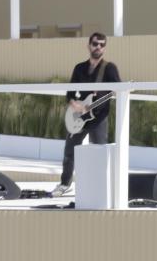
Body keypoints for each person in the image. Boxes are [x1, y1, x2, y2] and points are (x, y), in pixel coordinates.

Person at [53, 33, 121, 197]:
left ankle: (101, 187)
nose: (98, 47)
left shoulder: (109, 68)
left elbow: (118, 89)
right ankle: (65, 184)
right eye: (95, 44)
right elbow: (70, 93)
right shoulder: (79, 68)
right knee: (69, 151)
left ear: (105, 48)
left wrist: (110, 93)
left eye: (102, 45)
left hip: (98, 118)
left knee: (99, 153)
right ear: (89, 45)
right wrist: (75, 105)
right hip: (78, 116)